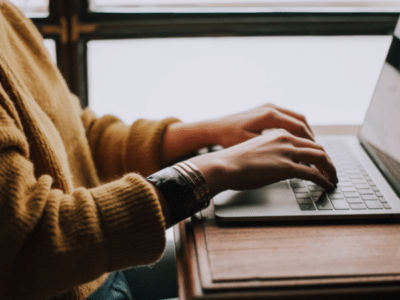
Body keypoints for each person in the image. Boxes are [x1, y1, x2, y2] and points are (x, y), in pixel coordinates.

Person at [0, 1, 338, 300]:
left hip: (94, 270)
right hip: (74, 284)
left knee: (273, 260)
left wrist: (208, 131)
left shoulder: (7, 15)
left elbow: (77, 136)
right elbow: (33, 245)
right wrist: (209, 171)